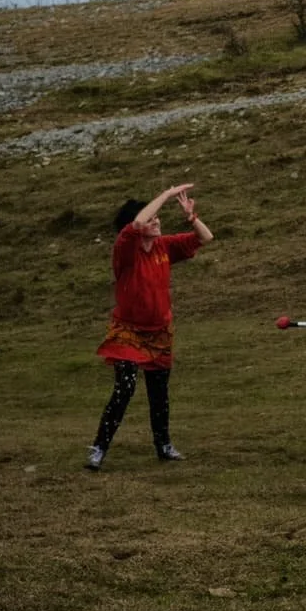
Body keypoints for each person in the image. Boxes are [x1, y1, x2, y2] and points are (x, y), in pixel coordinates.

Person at [88, 183, 211, 470]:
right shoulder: (126, 249)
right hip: (128, 331)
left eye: (158, 218)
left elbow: (205, 237)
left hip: (159, 331)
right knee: (125, 387)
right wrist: (166, 195)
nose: (157, 222)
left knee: (159, 391)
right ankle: (99, 447)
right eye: (153, 219)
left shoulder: (163, 246)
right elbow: (138, 222)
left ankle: (164, 446)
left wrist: (192, 218)